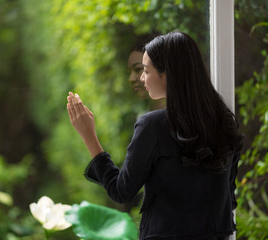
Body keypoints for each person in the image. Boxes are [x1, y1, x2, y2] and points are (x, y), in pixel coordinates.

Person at [67, 31, 243, 240]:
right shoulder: (225, 122)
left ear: (168, 74)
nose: (141, 78)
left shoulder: (153, 126)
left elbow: (121, 191)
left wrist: (89, 135)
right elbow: (228, 200)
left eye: (146, 71)